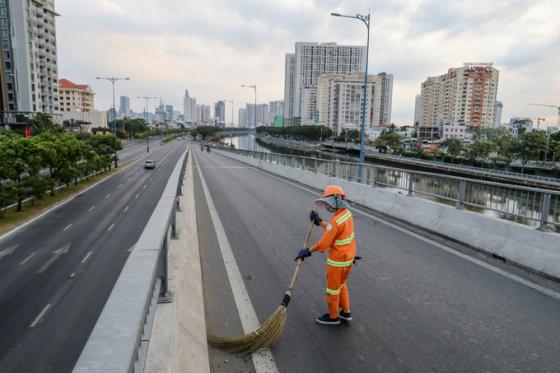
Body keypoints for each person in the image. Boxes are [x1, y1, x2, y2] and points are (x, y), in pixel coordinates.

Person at [295, 185, 357, 325]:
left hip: (337, 261)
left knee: (332, 289)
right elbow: (333, 229)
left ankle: (333, 316)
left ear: (336, 201)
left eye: (329, 203)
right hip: (348, 259)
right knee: (342, 285)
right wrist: (320, 222)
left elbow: (323, 244)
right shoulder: (346, 214)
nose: (327, 206)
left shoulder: (335, 221)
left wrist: (307, 251)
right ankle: (346, 312)